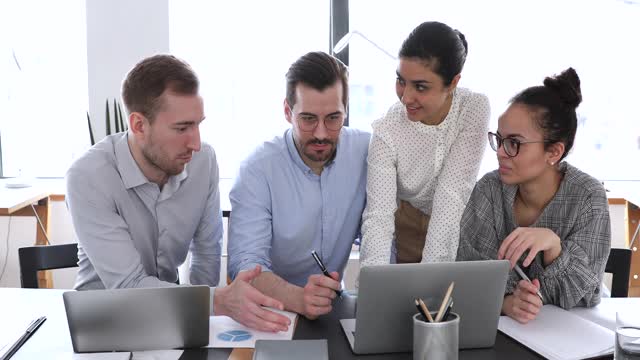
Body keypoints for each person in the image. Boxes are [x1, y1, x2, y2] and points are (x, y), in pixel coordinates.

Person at [66, 54, 290, 332]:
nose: (195, 143)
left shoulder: (203, 161)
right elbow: (128, 286)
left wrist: (199, 321)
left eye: (198, 124)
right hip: (105, 324)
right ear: (138, 125)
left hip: (174, 317)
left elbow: (207, 252)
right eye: (182, 128)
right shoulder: (88, 176)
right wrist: (216, 301)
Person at [456, 68, 611, 324]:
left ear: (554, 153)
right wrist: (507, 303)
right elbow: (469, 274)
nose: (501, 152)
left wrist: (554, 247)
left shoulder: (588, 198)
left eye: (514, 143)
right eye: (500, 138)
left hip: (569, 338)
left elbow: (585, 296)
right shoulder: (489, 189)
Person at [227, 51, 370, 319]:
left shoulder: (368, 153)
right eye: (308, 119)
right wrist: (298, 298)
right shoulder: (257, 170)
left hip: (334, 308)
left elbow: (386, 237)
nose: (321, 133)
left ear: (346, 112)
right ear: (287, 111)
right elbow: (245, 267)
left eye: (333, 118)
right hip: (272, 311)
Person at [359, 21, 490, 269]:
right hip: (407, 225)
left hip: (459, 225)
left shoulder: (473, 108)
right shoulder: (386, 130)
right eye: (401, 80)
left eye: (420, 86)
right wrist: (370, 288)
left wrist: (432, 282)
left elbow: (452, 194)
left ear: (452, 83)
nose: (406, 97)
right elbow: (378, 217)